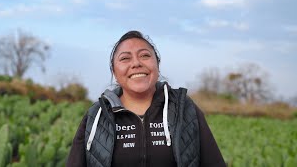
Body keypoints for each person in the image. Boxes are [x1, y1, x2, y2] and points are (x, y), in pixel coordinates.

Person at [66, 30, 226, 167]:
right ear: (114, 72)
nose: (136, 63)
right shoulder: (96, 116)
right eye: (125, 58)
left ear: (157, 65)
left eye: (144, 55)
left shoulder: (184, 109)